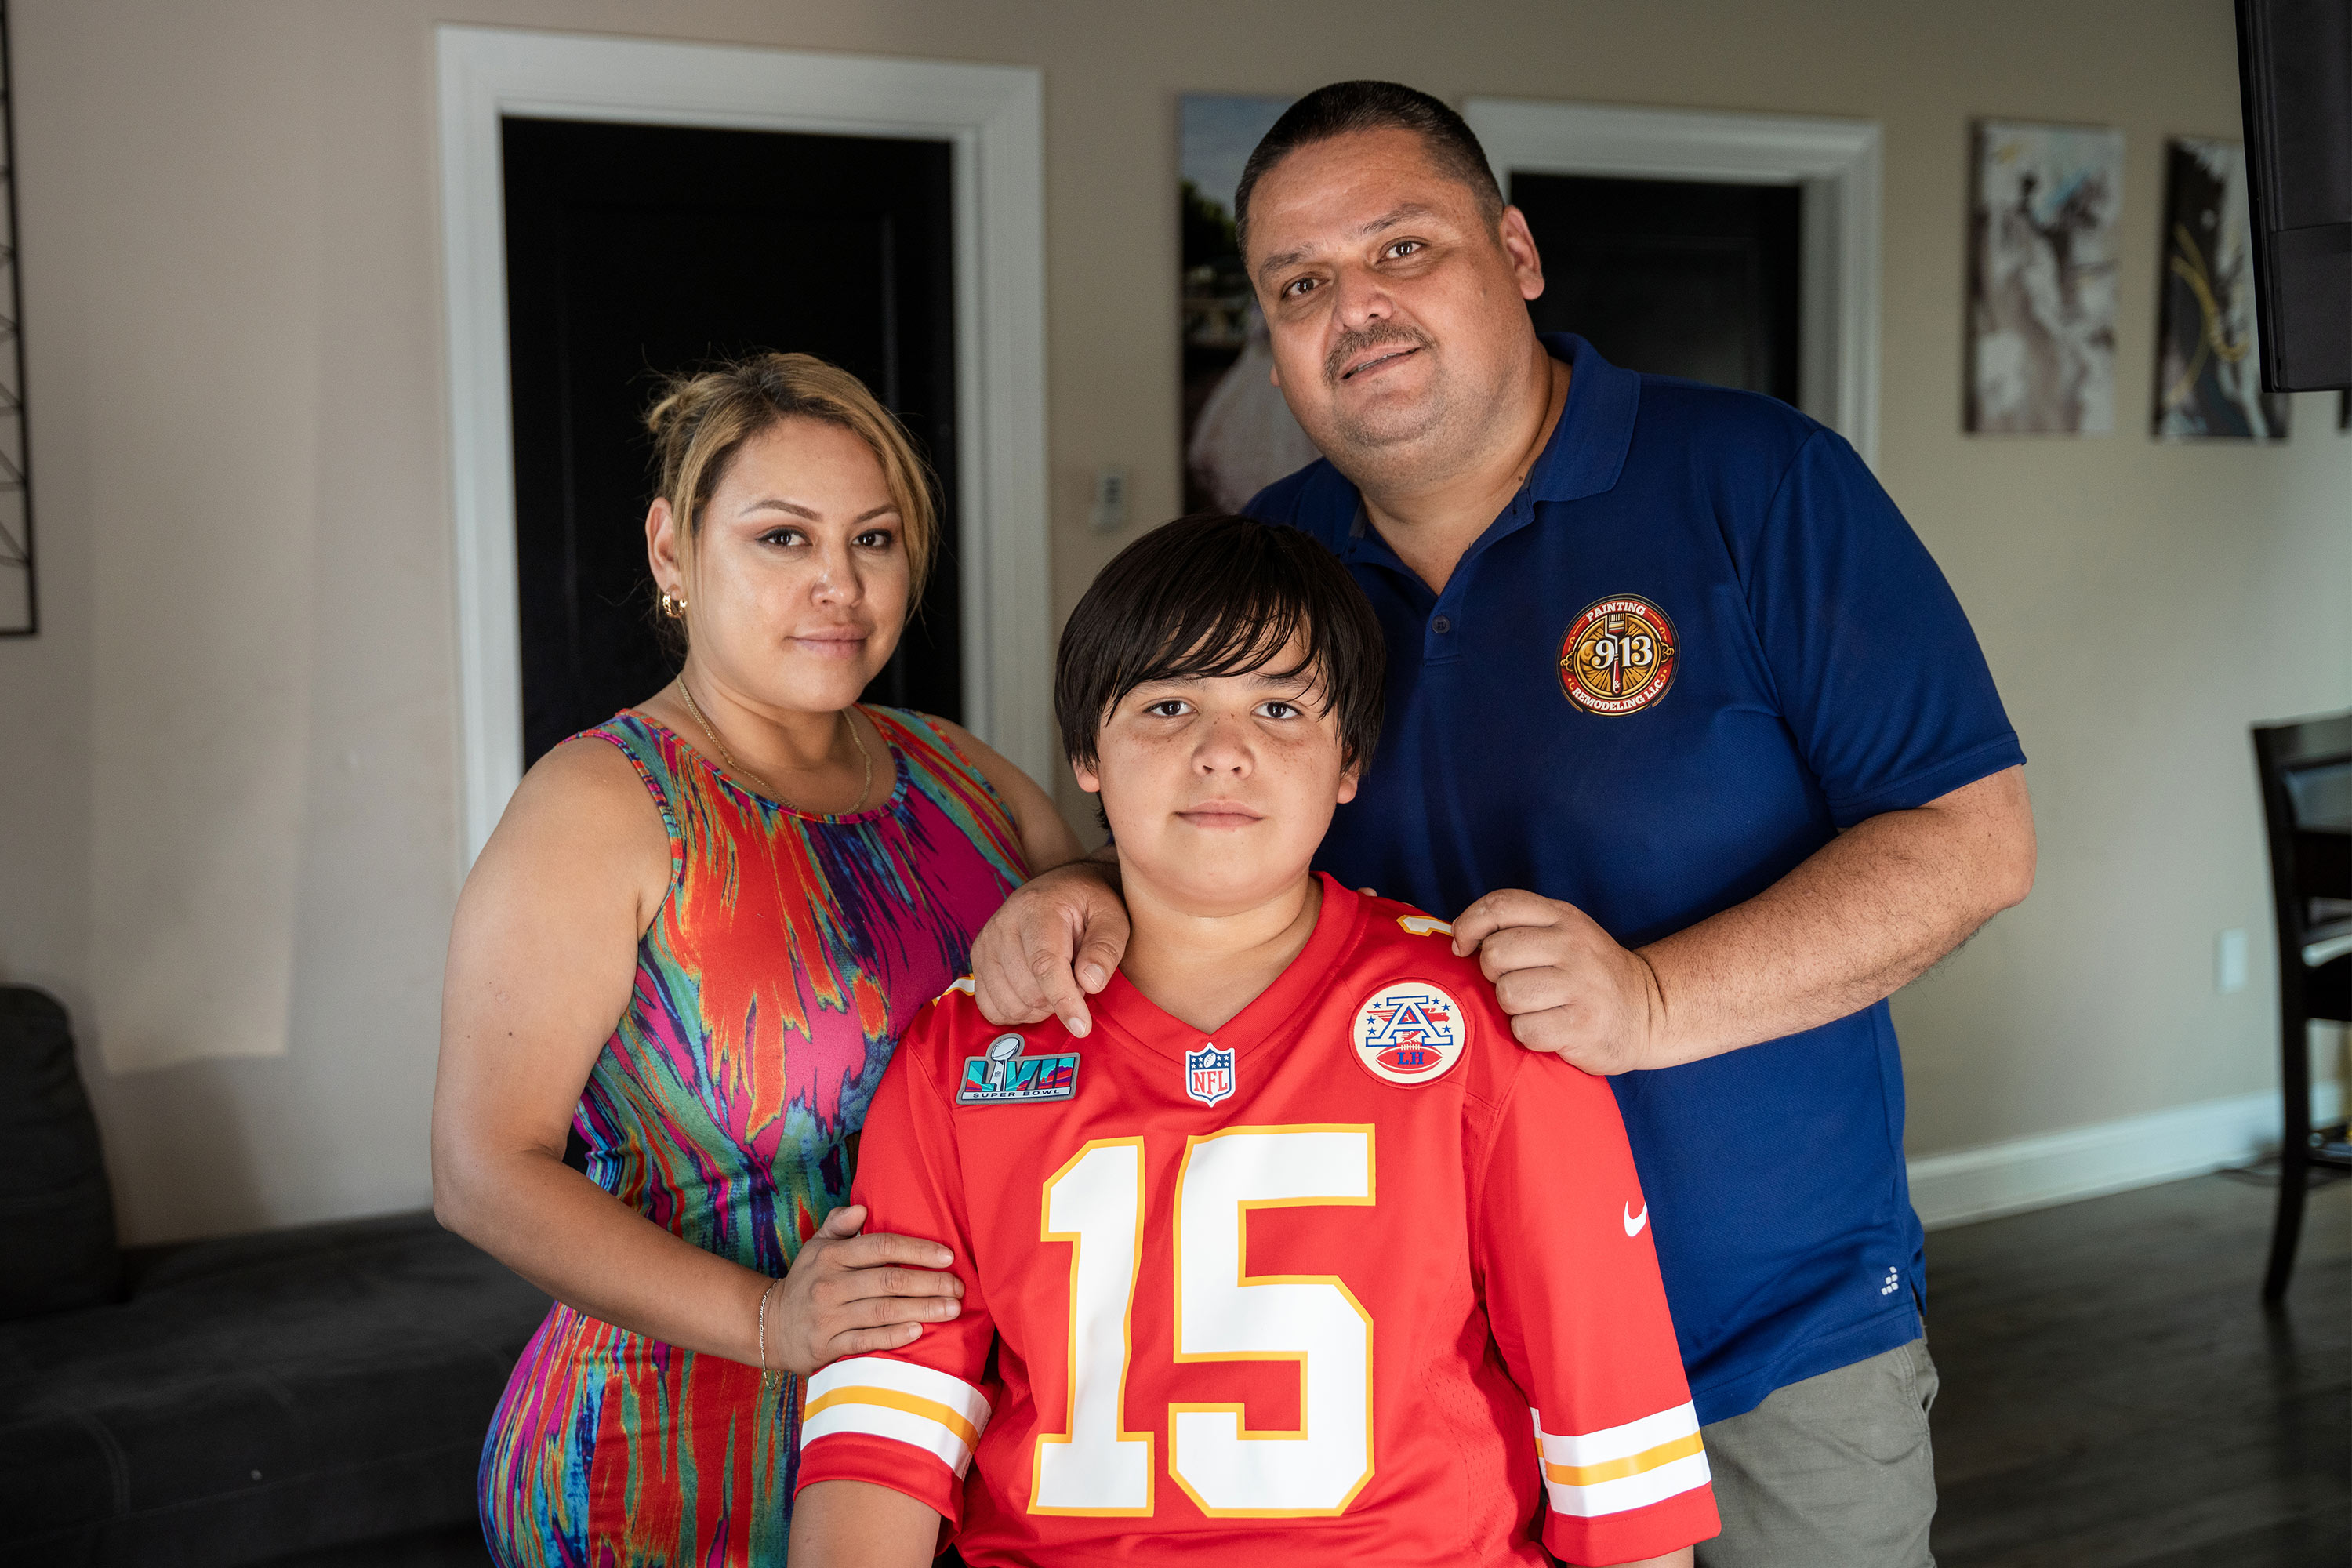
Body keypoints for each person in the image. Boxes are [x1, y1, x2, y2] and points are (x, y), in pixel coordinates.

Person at [972, 83, 2036, 1568]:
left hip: (1761, 1336)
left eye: (1402, 249)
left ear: (1518, 252)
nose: (1359, 310)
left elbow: (1972, 840)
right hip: (1419, 1371)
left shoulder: (1757, 482)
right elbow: (1209, 815)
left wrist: (1652, 1000)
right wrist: (1084, 890)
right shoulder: (1275, 562)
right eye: (1302, 284)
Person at [789, 514, 1717, 1568]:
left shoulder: (1482, 1027)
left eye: (1279, 708)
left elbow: (1615, 1447)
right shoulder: (964, 1052)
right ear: (1088, 753)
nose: (1222, 752)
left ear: (1349, 761)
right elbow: (883, 1437)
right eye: (1169, 706)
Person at [432, 353, 1083, 1566]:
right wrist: (771, 1318)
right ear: (674, 554)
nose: (840, 585)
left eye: (876, 541)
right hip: (670, 1461)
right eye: (783, 539)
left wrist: (1069, 892)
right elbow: (482, 1172)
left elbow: (1113, 926)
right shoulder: (604, 805)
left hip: (935, 1443)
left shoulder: (966, 776)